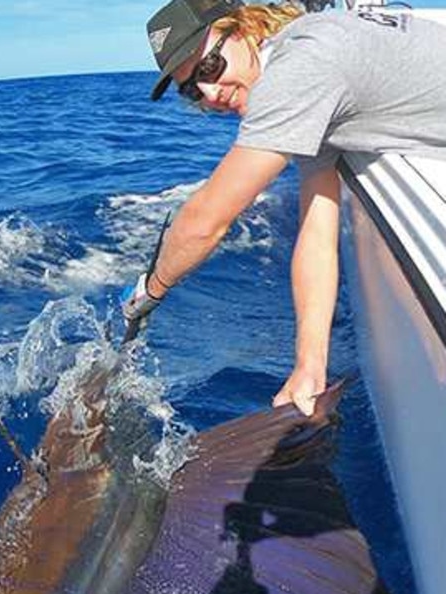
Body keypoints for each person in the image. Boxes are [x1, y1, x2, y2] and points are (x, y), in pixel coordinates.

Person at [123, 0, 446, 414]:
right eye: (191, 90)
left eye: (208, 69)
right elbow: (317, 228)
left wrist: (149, 295)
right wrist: (310, 364)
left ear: (239, 30)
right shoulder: (305, 80)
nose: (209, 94)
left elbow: (205, 221)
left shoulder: (297, 70)